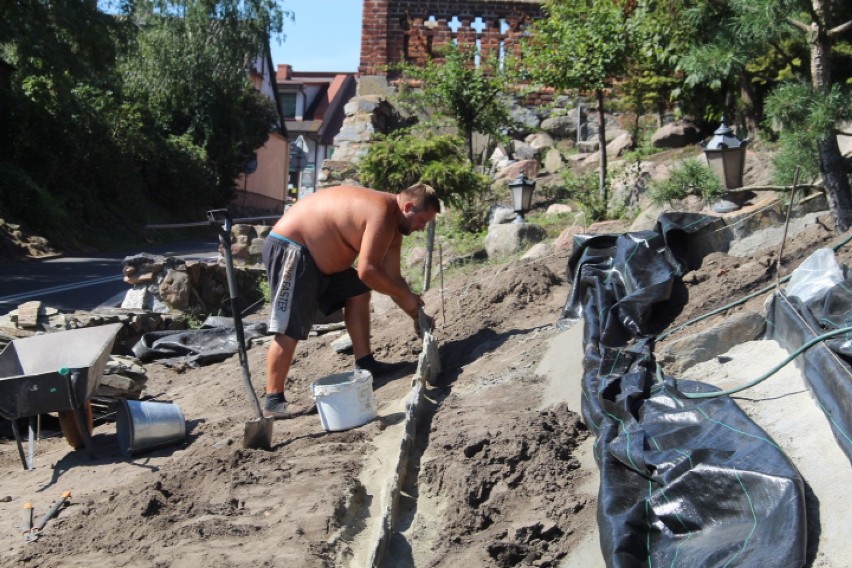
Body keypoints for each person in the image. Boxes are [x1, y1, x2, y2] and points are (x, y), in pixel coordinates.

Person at [261, 183, 441, 418]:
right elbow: (368, 271)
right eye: (422, 221)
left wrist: (416, 314)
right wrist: (407, 298)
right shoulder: (382, 212)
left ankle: (365, 363)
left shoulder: (394, 225)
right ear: (408, 207)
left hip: (317, 260)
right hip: (292, 249)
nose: (422, 227)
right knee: (290, 326)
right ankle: (274, 399)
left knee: (358, 291)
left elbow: (392, 278)